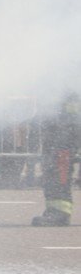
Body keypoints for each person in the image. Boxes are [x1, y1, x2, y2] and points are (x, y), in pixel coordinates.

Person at [33, 93, 81, 227]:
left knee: (58, 163)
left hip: (67, 122)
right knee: (54, 165)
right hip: (59, 122)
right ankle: (57, 210)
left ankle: (58, 211)